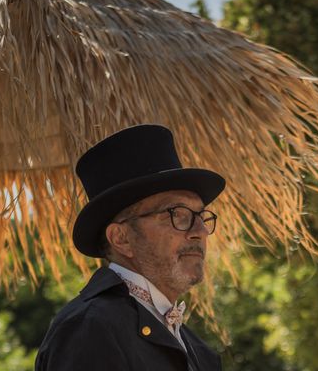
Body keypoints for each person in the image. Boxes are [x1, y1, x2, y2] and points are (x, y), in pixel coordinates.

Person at [35, 124, 226, 371]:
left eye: (201, 216)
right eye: (177, 214)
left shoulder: (198, 349)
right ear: (121, 238)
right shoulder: (90, 329)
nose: (199, 231)